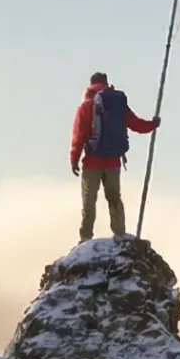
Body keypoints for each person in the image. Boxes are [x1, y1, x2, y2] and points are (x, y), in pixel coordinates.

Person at [67, 71, 159, 242]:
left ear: (91, 84)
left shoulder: (86, 106)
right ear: (106, 83)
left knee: (89, 200)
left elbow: (79, 135)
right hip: (113, 163)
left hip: (91, 163)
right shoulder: (117, 104)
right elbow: (136, 124)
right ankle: (120, 233)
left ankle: (86, 236)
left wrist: (74, 159)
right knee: (114, 198)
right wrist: (152, 124)